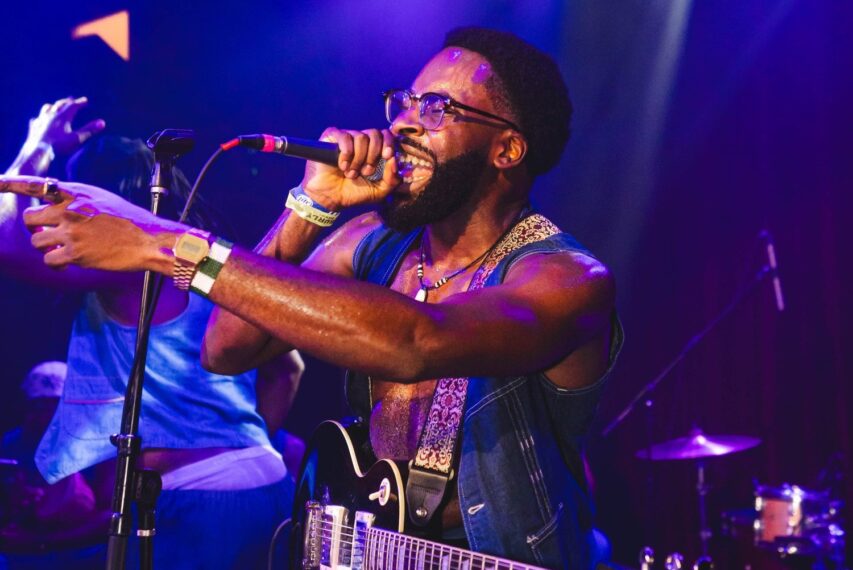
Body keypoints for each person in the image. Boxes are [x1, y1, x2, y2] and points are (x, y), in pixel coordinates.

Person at [0, 27, 622, 569]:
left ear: (507, 148)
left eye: (436, 109)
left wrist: (162, 243)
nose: (402, 122)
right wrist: (312, 205)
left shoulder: (566, 279)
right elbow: (226, 347)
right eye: (403, 102)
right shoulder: (373, 242)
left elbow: (416, 342)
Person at [0, 98, 303, 568]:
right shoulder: (203, 264)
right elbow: (287, 368)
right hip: (263, 487)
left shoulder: (127, 265)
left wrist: (36, 149)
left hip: (199, 506)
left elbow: (5, 239)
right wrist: (239, 453)